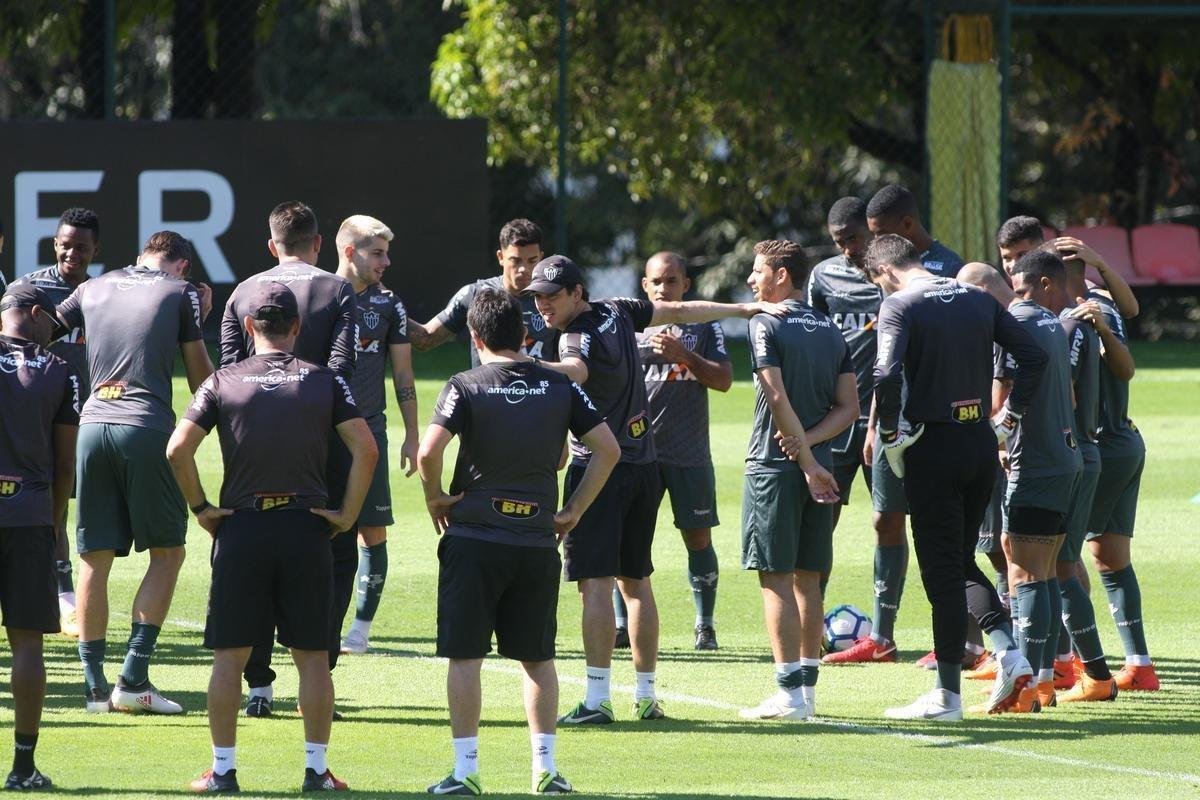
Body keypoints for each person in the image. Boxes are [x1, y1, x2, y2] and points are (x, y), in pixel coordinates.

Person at [527, 254, 786, 724]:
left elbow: (577, 370)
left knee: (596, 585)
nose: (543, 304)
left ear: (576, 293)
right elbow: (682, 312)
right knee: (637, 583)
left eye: (552, 295)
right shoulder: (620, 309)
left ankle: (597, 700)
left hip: (599, 469)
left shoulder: (575, 334)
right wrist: (742, 310)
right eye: (538, 296)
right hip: (643, 464)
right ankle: (646, 697)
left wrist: (524, 365)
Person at [168, 281, 377, 793]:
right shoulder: (324, 380)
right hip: (306, 530)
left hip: (242, 530)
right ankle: (316, 770)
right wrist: (347, 514)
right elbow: (366, 449)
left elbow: (177, 449)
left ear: (247, 327)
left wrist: (201, 508)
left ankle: (222, 771)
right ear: (298, 329)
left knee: (229, 657)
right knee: (311, 657)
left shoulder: (222, 379)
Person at [417, 289, 619, 796]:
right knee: (538, 659)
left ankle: (465, 774)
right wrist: (572, 511)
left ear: (475, 336)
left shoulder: (464, 383)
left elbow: (428, 452)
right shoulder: (558, 384)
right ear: (526, 336)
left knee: (466, 658)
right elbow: (608, 449)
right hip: (535, 540)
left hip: (475, 537)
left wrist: (436, 498)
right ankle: (545, 771)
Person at [864, 236, 1046, 722]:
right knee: (960, 561)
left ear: (882, 272)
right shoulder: (977, 297)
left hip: (932, 447)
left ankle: (946, 696)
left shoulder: (900, 304)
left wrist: (888, 431)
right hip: (979, 444)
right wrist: (1008, 419)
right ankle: (1009, 653)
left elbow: (884, 373)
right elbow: (1035, 357)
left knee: (941, 571)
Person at [56, 231, 213, 714]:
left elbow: (37, 329)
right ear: (181, 265)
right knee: (168, 552)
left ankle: (93, 690)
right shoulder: (181, 291)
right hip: (144, 429)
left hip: (90, 426)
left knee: (92, 558)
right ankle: (134, 679)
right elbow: (200, 378)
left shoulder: (92, 287)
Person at [220, 201, 359, 718]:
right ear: (318, 243)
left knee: (251, 555)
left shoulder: (243, 292)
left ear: (271, 244)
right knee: (336, 553)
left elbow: (231, 370)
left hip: (255, 445)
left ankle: (259, 685)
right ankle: (317, 677)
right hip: (323, 438)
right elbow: (341, 367)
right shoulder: (337, 289)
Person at [737, 240, 856, 720]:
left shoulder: (765, 322)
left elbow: (774, 391)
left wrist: (803, 457)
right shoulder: (830, 327)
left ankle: (787, 693)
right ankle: (806, 694)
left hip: (777, 466)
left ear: (781, 276)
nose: (751, 279)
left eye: (757, 270)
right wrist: (812, 447)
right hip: (820, 466)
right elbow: (850, 407)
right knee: (809, 579)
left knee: (775, 578)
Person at [959, 258, 1083, 713]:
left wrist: (998, 432)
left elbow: (1001, 396)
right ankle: (1045, 678)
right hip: (1064, 458)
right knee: (1045, 571)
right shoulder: (1052, 322)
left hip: (1034, 463)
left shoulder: (1012, 326)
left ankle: (1024, 685)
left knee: (1024, 569)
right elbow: (1068, 393)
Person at [1009, 247, 1119, 703]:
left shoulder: (1030, 326)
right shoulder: (1068, 324)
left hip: (1046, 459)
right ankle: (1064, 677)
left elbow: (1009, 398)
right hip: (1076, 454)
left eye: (1020, 285)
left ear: (1047, 281)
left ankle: (1035, 684)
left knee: (1036, 571)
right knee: (1055, 568)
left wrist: (1000, 430)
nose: (1014, 297)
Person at [808, 198, 913, 666]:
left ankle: (883, 633)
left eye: (854, 238)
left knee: (888, 520)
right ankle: (810, 628)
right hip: (835, 421)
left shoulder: (895, 278)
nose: (848, 248)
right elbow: (811, 336)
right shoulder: (823, 277)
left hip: (888, 419)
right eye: (839, 242)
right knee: (819, 522)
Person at [626, 251, 732, 651]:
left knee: (698, 538)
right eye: (657, 281)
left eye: (672, 281)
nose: (664, 288)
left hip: (688, 452)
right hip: (638, 453)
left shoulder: (704, 325)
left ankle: (704, 624)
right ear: (645, 285)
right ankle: (622, 625)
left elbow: (723, 380)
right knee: (630, 539)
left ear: (686, 285)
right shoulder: (629, 327)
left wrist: (683, 355)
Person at [0, 284, 81, 789]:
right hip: (29, 514)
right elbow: (65, 464)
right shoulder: (60, 370)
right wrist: (54, 526)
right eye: (51, 323)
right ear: (33, 314)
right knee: (28, 644)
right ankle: (23, 767)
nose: (54, 332)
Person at [13, 207, 102, 637]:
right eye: (65, 245)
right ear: (54, 243)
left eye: (81, 247)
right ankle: (64, 596)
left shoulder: (103, 292)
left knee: (78, 504)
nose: (72, 253)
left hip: (91, 413)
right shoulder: (29, 289)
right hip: (38, 412)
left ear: (94, 250)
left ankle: (68, 592)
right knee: (51, 502)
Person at [332, 215, 418, 655]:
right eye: (378, 253)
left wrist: (412, 435)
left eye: (387, 252)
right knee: (319, 526)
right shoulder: (320, 295)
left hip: (371, 430)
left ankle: (360, 629)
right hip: (322, 432)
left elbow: (403, 373)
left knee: (373, 530)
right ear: (350, 252)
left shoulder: (390, 306)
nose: (387, 262)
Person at [1069, 272, 1158, 690]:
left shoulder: (1078, 314)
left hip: (1100, 447)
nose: (1014, 271)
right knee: (1111, 557)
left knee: (1055, 557)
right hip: (1126, 440)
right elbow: (1132, 310)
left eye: (1018, 260)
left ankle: (1080, 667)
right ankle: (1139, 666)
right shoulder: (1105, 302)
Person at [409, 218, 558, 364]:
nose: (523, 269)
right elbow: (425, 339)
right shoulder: (474, 294)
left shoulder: (557, 296)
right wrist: (392, 308)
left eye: (532, 260)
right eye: (516, 260)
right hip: (486, 388)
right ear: (501, 257)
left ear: (541, 258)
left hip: (541, 388)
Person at [865, 185, 964, 277]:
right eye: (873, 234)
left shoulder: (950, 269)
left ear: (907, 224)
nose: (876, 241)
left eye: (881, 234)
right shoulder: (881, 267)